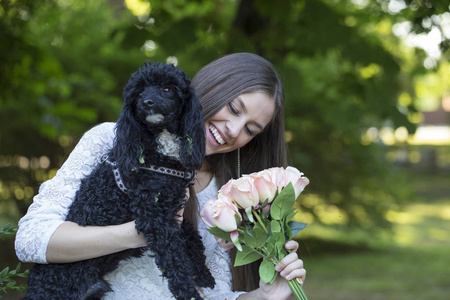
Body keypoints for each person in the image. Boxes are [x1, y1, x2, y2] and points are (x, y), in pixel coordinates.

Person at [15, 53, 306, 300]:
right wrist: (138, 233)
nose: (233, 129)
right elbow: (30, 239)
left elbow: (208, 293)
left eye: (250, 129)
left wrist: (264, 295)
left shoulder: (231, 196)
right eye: (233, 109)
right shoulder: (111, 141)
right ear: (209, 89)